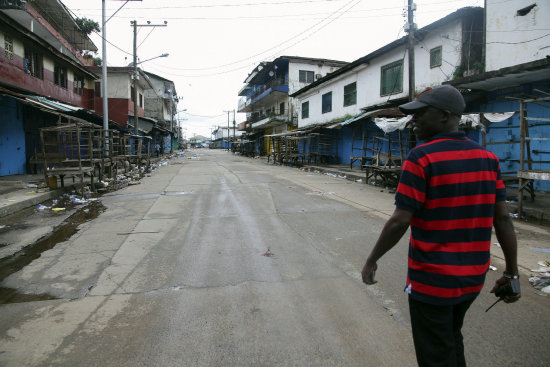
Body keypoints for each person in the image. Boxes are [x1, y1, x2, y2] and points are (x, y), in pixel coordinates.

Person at [361, 85, 521, 367]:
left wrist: (372, 260)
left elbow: (400, 221)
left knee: (435, 354)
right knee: (450, 339)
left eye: (421, 115)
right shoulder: (489, 160)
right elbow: (503, 220)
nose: (413, 122)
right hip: (472, 280)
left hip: (432, 281)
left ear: (445, 116)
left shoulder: (422, 158)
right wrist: (511, 272)